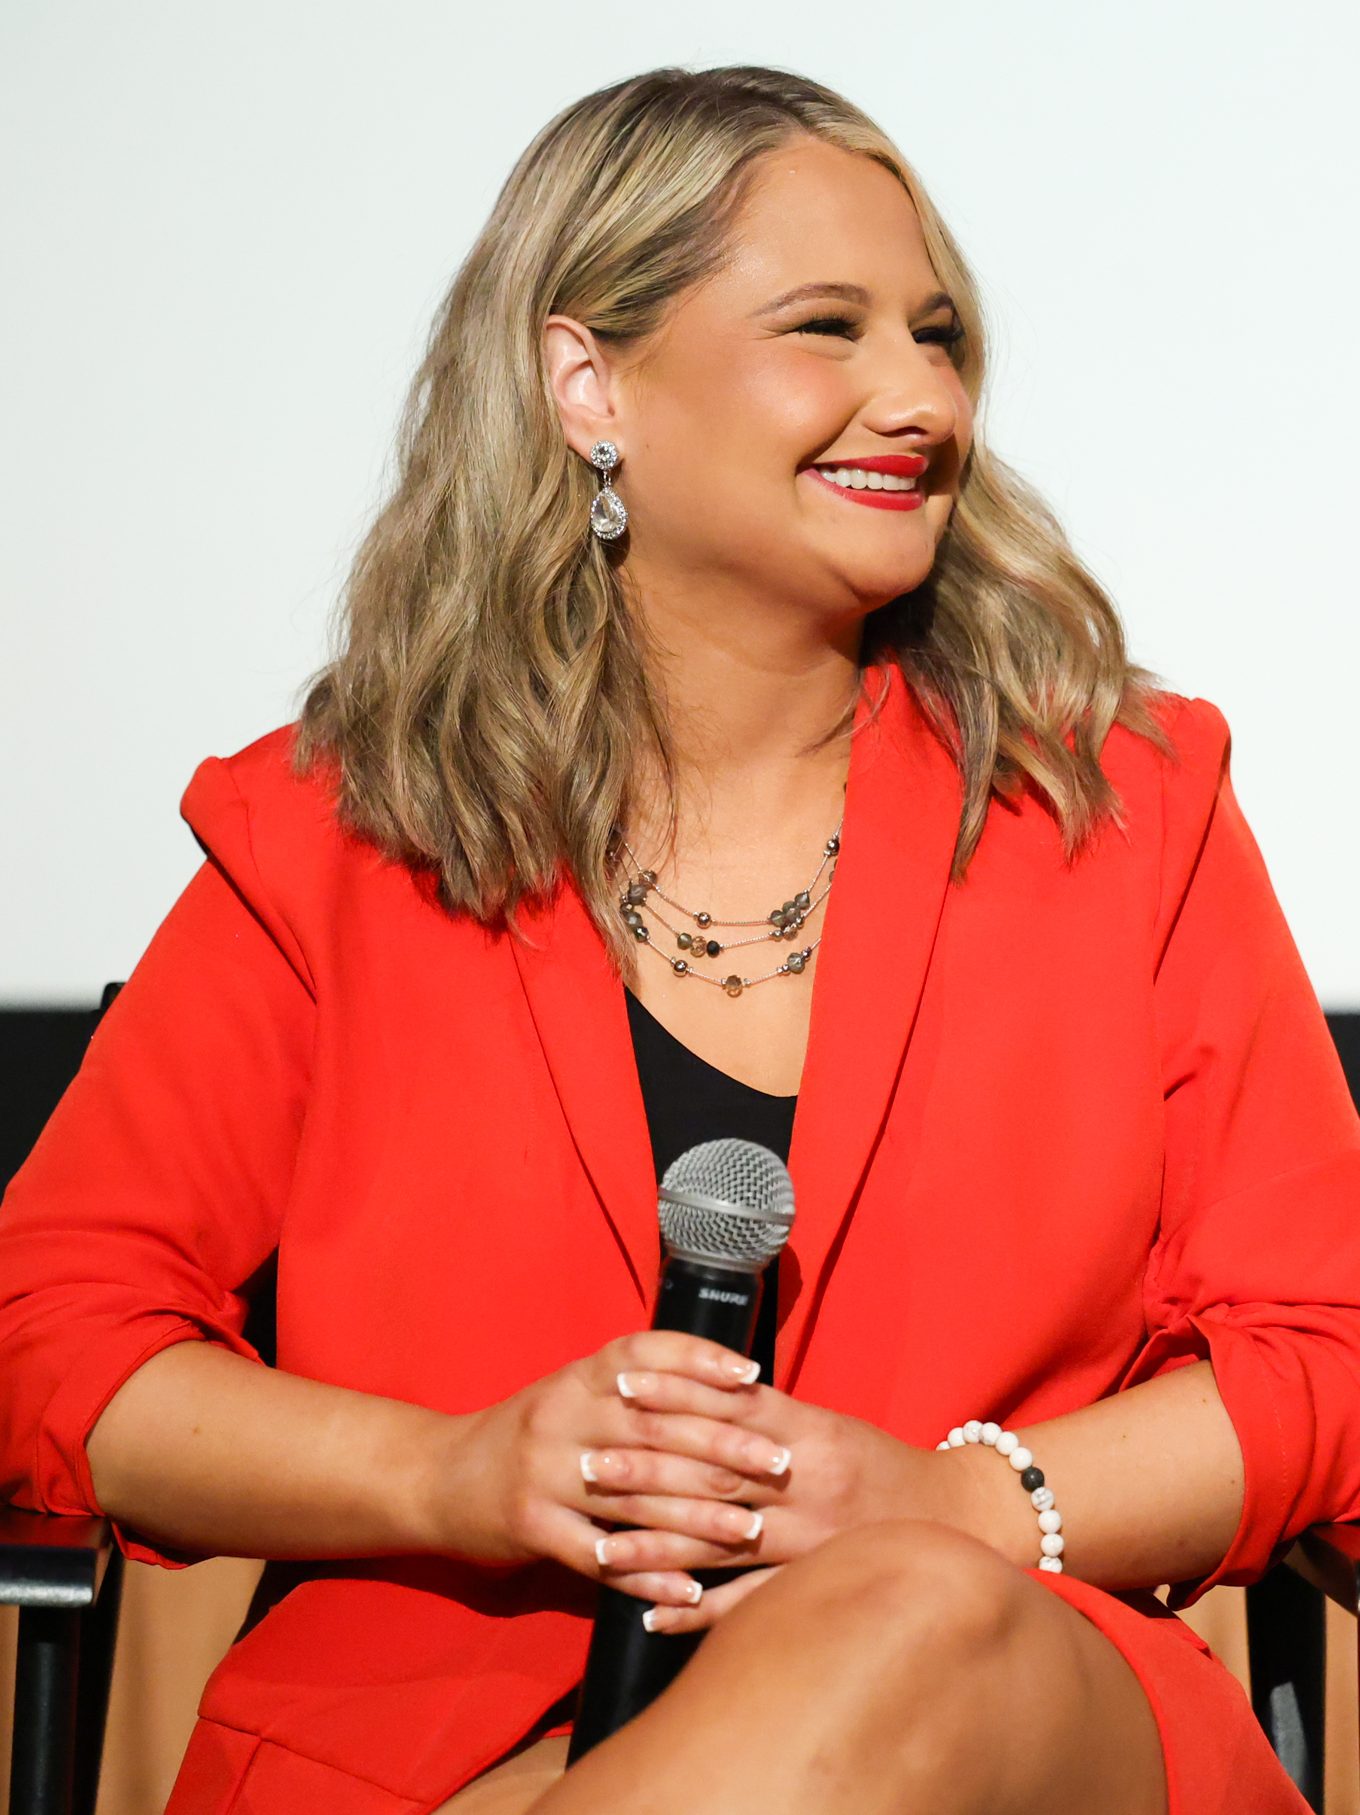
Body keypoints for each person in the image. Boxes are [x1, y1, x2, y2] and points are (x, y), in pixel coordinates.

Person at [2, 61, 1357, 1815]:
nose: (918, 399)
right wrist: (459, 1476)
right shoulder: (334, 834)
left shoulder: (1126, 806)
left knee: (912, 1620)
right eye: (829, 329)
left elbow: (1325, 1347)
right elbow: (56, 1328)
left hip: (1012, 1716)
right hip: (460, 1742)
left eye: (937, 337)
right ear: (591, 385)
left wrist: (947, 1506)